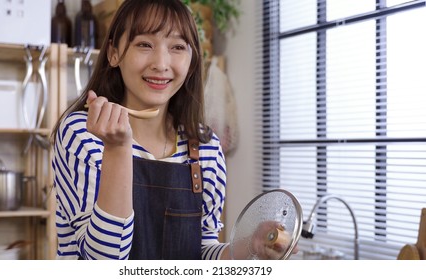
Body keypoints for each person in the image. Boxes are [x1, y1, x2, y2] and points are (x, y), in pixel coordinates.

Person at [51, 0, 291, 260]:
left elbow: (201, 252)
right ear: (114, 53)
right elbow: (102, 261)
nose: (161, 63)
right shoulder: (83, 133)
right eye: (144, 44)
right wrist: (118, 149)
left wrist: (247, 248)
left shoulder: (206, 148)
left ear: (191, 60)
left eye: (177, 47)